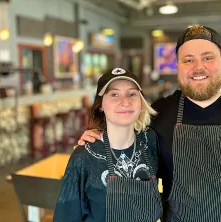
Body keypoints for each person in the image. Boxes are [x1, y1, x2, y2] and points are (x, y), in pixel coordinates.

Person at [77, 25, 221, 221]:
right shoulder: (156, 114)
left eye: (207, 57)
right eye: (188, 60)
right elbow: (124, 157)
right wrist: (95, 140)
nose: (198, 67)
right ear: (178, 65)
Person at [53, 68, 163, 222]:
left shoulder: (150, 140)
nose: (125, 102)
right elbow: (65, 217)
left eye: (132, 94)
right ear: (100, 105)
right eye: (114, 94)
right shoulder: (83, 157)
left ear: (141, 102)